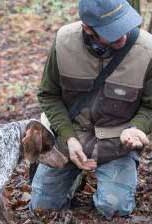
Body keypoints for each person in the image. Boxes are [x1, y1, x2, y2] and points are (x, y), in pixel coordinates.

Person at [30, 0, 152, 219]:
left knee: (114, 208)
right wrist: (68, 137)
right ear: (88, 28)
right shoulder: (63, 42)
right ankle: (75, 177)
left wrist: (138, 127)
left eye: (125, 25)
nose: (123, 37)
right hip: (69, 138)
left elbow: (150, 106)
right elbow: (48, 95)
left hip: (116, 144)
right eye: (113, 32)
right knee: (42, 208)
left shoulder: (147, 50)